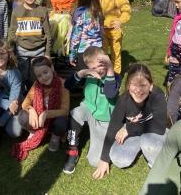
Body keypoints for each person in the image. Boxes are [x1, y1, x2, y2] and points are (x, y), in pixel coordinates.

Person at [93, 64, 167, 180]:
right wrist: (104, 159)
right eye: (134, 85)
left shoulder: (157, 95)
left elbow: (160, 126)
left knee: (150, 144)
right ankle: (140, 146)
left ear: (151, 86)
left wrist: (129, 128)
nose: (138, 90)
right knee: (119, 159)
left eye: (143, 85)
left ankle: (155, 162)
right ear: (128, 85)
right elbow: (113, 126)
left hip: (153, 132)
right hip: (135, 133)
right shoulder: (124, 100)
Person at [63, 46, 119, 174]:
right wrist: (82, 73)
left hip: (105, 119)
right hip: (88, 110)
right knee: (76, 113)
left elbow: (110, 94)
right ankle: (72, 150)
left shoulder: (115, 77)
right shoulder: (89, 75)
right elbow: (67, 85)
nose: (98, 70)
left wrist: (110, 69)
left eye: (101, 66)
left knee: (94, 161)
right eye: (93, 68)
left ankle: (114, 141)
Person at [12, 56, 69, 160]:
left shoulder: (62, 84)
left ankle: (55, 138)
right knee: (22, 116)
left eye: (45, 72)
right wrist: (32, 110)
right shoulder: (37, 85)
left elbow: (65, 111)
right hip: (39, 120)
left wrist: (47, 113)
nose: (43, 77)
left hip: (53, 119)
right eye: (39, 75)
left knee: (61, 122)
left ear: (52, 68)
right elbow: (25, 103)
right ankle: (33, 131)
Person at [9, 0, 51, 90]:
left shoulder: (42, 11)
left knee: (36, 78)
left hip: (39, 51)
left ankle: (36, 99)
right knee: (22, 77)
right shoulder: (17, 11)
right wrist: (11, 51)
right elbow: (12, 32)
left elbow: (48, 33)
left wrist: (47, 53)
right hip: (22, 51)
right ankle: (22, 100)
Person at [99, 0, 131, 75]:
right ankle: (103, 75)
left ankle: (116, 76)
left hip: (115, 31)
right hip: (102, 31)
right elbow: (95, 11)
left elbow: (126, 11)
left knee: (116, 55)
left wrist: (120, 21)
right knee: (102, 55)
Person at [69, 0, 103, 71]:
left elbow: (76, 37)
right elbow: (102, 33)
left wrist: (72, 55)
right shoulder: (99, 12)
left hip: (84, 53)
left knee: (85, 79)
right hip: (98, 50)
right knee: (97, 78)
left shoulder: (80, 13)